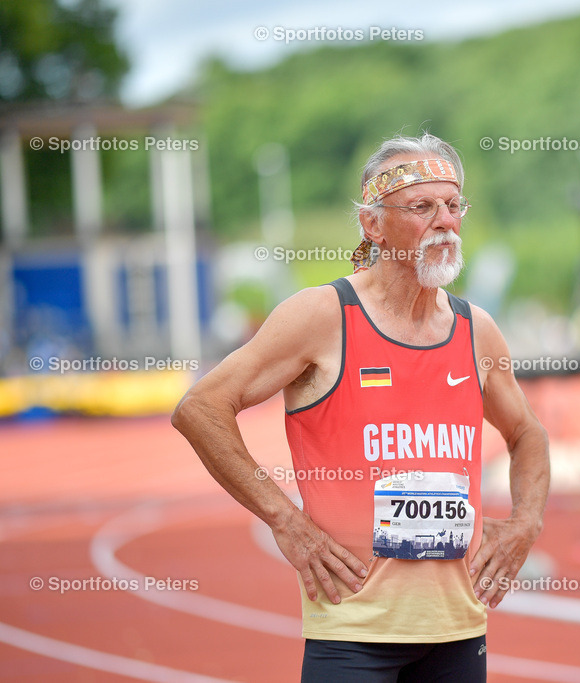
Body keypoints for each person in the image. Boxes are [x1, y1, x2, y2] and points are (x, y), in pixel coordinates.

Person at [171, 132, 550, 681]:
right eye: (422, 207)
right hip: (353, 632)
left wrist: (525, 525)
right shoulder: (322, 316)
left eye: (452, 205)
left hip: (459, 629)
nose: (444, 221)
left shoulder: (476, 330)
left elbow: (527, 433)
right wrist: (285, 521)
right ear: (373, 224)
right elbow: (200, 408)